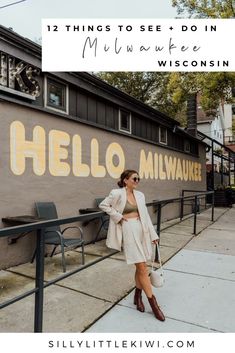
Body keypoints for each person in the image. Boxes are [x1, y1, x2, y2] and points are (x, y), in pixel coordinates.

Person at [99, 169, 165, 321]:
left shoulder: (140, 195)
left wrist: (154, 235)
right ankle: (154, 305)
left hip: (141, 230)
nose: (137, 181)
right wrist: (118, 217)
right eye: (134, 178)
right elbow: (104, 205)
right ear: (125, 180)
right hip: (128, 230)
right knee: (143, 267)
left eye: (138, 179)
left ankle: (137, 297)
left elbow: (146, 216)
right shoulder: (116, 193)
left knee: (139, 266)